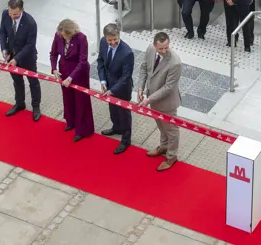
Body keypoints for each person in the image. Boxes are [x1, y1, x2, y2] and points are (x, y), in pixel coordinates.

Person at [137, 31, 182, 171]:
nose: (164, 51)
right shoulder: (150, 49)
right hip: (153, 99)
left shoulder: (175, 63)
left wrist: (148, 99)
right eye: (161, 48)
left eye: (166, 47)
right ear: (154, 45)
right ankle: (163, 146)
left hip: (167, 102)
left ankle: (171, 156)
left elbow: (168, 87)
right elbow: (144, 67)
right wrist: (140, 88)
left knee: (171, 130)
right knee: (161, 126)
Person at [50, 18, 94, 141]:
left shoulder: (81, 38)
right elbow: (53, 54)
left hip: (79, 73)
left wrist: (71, 77)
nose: (64, 38)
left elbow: (82, 61)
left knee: (81, 100)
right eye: (62, 36)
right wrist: (54, 69)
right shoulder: (58, 36)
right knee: (67, 97)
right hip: (64, 70)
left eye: (66, 36)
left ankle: (82, 129)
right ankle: (70, 122)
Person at [0, 0, 41, 121]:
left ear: (22, 10)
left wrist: (17, 58)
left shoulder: (30, 23)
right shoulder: (5, 15)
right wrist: (4, 49)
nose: (12, 17)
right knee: (17, 81)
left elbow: (30, 44)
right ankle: (20, 103)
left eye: (15, 14)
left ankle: (36, 106)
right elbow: (2, 32)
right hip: (11, 55)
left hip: (27, 57)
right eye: (10, 13)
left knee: (33, 82)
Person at [97, 22, 134, 154]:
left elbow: (126, 77)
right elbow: (100, 61)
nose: (112, 42)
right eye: (110, 40)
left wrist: (112, 90)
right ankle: (116, 127)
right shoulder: (102, 42)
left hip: (122, 88)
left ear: (119, 36)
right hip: (108, 84)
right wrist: (102, 80)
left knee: (124, 113)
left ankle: (126, 138)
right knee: (113, 109)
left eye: (115, 40)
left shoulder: (127, 52)